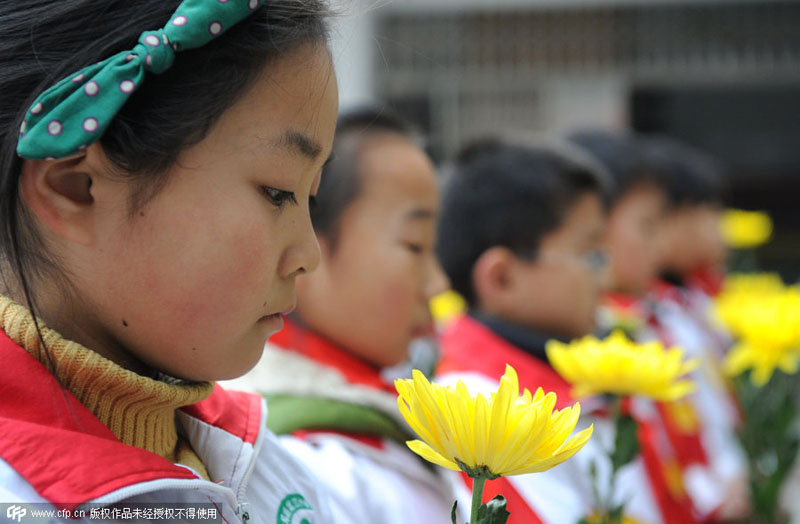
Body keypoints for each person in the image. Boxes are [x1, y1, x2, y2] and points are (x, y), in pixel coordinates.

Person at [0, 1, 339, 522]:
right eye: (277, 192)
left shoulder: (261, 465)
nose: (308, 255)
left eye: (308, 196)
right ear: (76, 188)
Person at [224, 107, 453, 523]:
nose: (437, 284)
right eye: (415, 246)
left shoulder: (368, 415)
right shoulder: (294, 459)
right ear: (309, 249)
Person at [435, 138, 663, 523]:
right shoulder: (479, 414)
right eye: (589, 254)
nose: (605, 275)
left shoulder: (567, 384)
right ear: (502, 278)